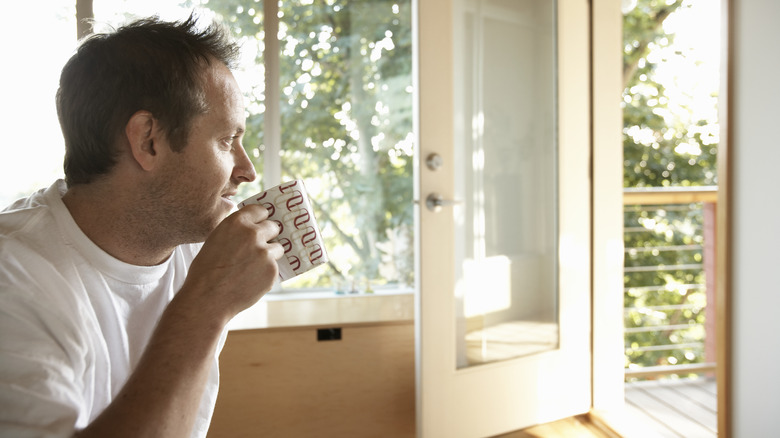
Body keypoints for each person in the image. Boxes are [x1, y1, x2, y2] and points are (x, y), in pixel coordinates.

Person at [0, 15, 283, 438]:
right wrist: (205, 306)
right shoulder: (15, 280)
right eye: (227, 141)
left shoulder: (188, 243)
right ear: (148, 140)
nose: (247, 171)